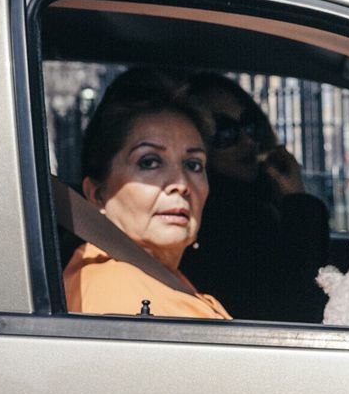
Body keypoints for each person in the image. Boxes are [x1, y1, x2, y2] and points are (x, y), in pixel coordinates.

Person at [64, 70, 231, 319]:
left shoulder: (153, 277)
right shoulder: (114, 290)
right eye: (149, 162)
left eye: (193, 165)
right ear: (98, 194)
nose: (181, 184)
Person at [178, 73, 329, 322]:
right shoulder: (219, 221)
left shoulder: (255, 202)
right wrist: (297, 200)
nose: (247, 141)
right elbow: (297, 300)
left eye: (249, 124)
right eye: (223, 131)